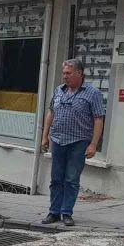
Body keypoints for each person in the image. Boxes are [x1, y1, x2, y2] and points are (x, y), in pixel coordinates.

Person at [40, 59, 105, 227]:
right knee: (56, 178)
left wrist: (93, 144)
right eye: (64, 73)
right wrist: (45, 136)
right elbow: (51, 112)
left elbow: (98, 119)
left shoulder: (93, 93)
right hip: (57, 140)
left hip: (79, 142)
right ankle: (54, 212)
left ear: (79, 73)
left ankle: (66, 212)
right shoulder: (59, 90)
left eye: (68, 73)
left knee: (71, 179)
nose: (65, 76)